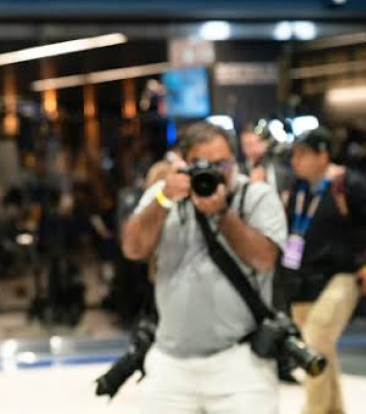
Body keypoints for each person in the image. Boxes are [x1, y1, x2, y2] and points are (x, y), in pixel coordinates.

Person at [122, 121, 287, 414]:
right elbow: (133, 248)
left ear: (234, 160)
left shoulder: (257, 197)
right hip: (170, 363)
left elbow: (264, 260)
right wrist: (162, 199)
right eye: (202, 164)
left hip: (240, 362)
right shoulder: (164, 195)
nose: (214, 171)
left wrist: (223, 215)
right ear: (183, 164)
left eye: (221, 163)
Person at [284, 127, 366, 414]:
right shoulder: (296, 188)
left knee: (316, 340)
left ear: (323, 155)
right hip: (302, 279)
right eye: (294, 155)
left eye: (303, 154)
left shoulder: (347, 184)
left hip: (342, 275)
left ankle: (314, 411)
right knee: (320, 346)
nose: (296, 161)